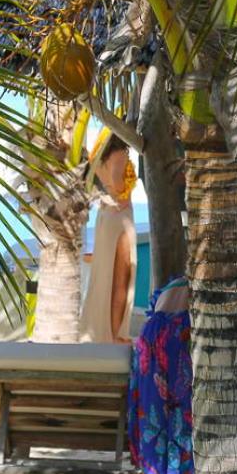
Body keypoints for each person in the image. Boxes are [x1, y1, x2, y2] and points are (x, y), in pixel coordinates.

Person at [127, 276, 193, 474]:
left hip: (151, 334)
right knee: (182, 429)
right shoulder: (216, 284)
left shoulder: (175, 284)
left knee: (154, 433)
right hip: (181, 336)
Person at [83, 131, 137, 344]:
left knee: (105, 275)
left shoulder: (100, 155)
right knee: (121, 279)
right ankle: (115, 335)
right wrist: (127, 190)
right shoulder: (120, 154)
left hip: (105, 216)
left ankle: (105, 332)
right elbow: (117, 183)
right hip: (119, 218)